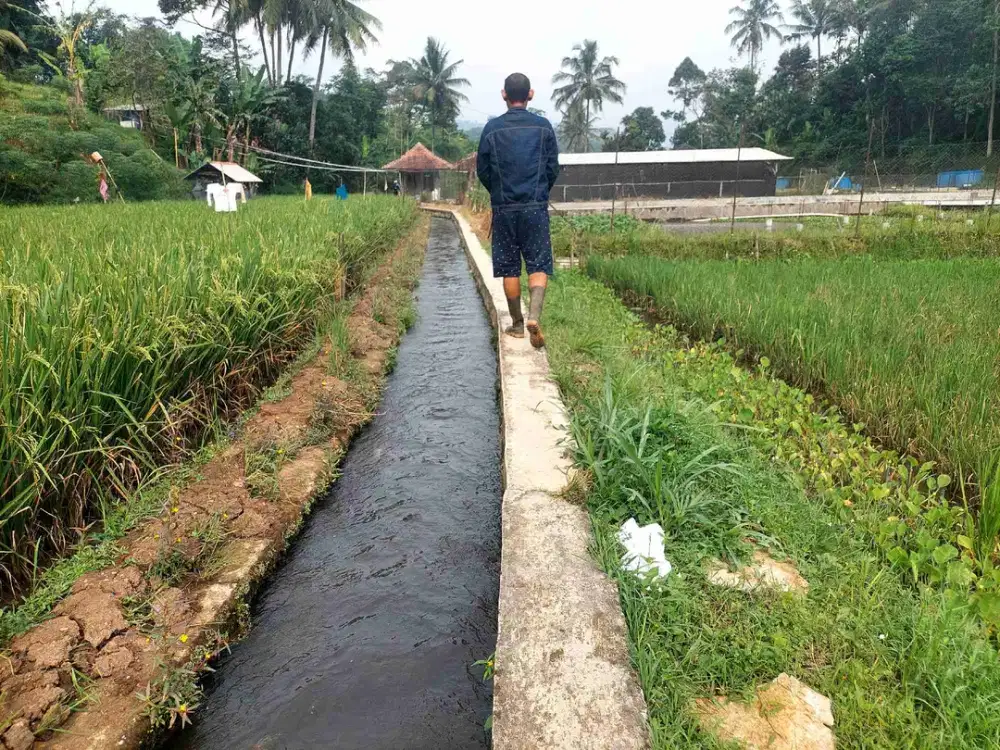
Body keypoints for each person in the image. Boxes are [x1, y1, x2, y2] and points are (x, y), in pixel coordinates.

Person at [476, 72, 560, 349]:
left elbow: (483, 171)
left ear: (504, 95)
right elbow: (552, 168)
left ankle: (517, 324)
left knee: (509, 268)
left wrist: (499, 194)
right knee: (538, 264)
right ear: (530, 95)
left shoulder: (491, 129)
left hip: (504, 209)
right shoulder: (544, 127)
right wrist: (540, 193)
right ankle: (534, 316)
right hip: (535, 208)